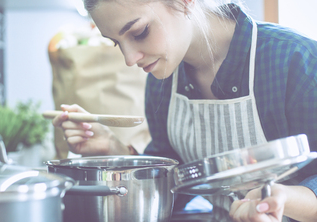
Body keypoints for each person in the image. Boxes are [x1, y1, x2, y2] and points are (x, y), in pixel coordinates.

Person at [51, 0, 317, 221]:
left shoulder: (296, 60)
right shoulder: (162, 83)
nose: (130, 59)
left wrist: (283, 200)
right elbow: (173, 191)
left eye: (140, 32)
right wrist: (111, 149)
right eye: (117, 43)